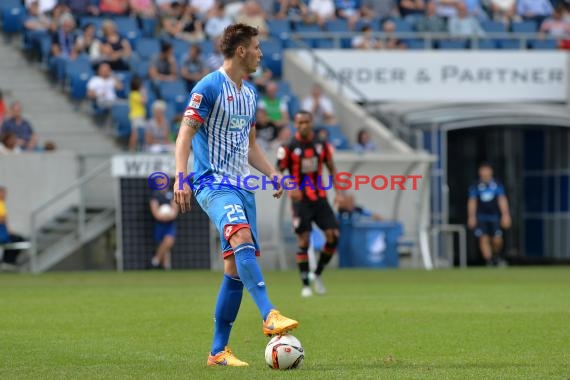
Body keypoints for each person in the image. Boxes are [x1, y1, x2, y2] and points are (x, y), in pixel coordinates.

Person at [174, 23, 299, 367]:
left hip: (242, 186)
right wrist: (181, 178)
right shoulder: (209, 86)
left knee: (233, 268)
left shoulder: (249, 93)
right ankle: (269, 314)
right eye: (257, 47)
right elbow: (184, 135)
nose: (261, 53)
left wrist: (273, 175)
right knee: (240, 236)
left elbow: (251, 146)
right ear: (241, 50)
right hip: (211, 182)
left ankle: (218, 352)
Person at [277, 110, 343, 298]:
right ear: (295, 124)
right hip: (300, 201)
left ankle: (318, 274)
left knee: (333, 236)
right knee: (304, 240)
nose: (303, 125)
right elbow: (278, 171)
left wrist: (338, 193)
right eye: (300, 123)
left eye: (306, 122)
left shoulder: (321, 145)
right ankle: (305, 284)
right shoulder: (288, 146)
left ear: (311, 122)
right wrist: (289, 186)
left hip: (320, 198)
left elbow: (332, 169)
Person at [467, 163, 511, 266]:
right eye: (483, 171)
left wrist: (505, 215)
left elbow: (502, 200)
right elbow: (472, 202)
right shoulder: (476, 186)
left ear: (491, 172)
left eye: (487, 171)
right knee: (483, 238)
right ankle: (489, 260)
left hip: (494, 217)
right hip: (481, 217)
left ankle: (496, 255)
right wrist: (471, 217)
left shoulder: (497, 185)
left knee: (497, 239)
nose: (485, 173)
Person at [149, 186, 178, 270]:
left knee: (169, 241)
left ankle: (156, 260)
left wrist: (169, 217)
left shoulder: (172, 194)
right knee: (162, 243)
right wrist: (161, 217)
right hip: (159, 224)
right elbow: (155, 211)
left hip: (170, 223)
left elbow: (175, 210)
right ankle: (165, 266)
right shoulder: (155, 195)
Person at [0, 187, 27, 271]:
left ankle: (7, 261)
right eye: (2, 193)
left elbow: (4, 221)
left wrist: (9, 231)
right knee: (19, 240)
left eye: (5, 193)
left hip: (3, 232)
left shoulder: (2, 204)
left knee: (19, 240)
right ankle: (8, 261)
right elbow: (2, 220)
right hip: (2, 233)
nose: (4, 195)